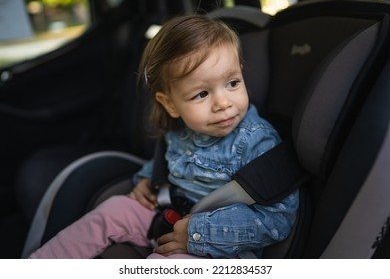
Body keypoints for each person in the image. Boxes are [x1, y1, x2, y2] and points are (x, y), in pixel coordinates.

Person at [28, 15, 299, 259]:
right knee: (113, 210)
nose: (223, 103)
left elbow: (278, 221)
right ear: (170, 104)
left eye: (232, 83)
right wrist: (147, 179)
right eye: (202, 94)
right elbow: (170, 161)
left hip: (222, 247)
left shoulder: (258, 143)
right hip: (173, 214)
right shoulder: (180, 131)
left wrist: (197, 235)